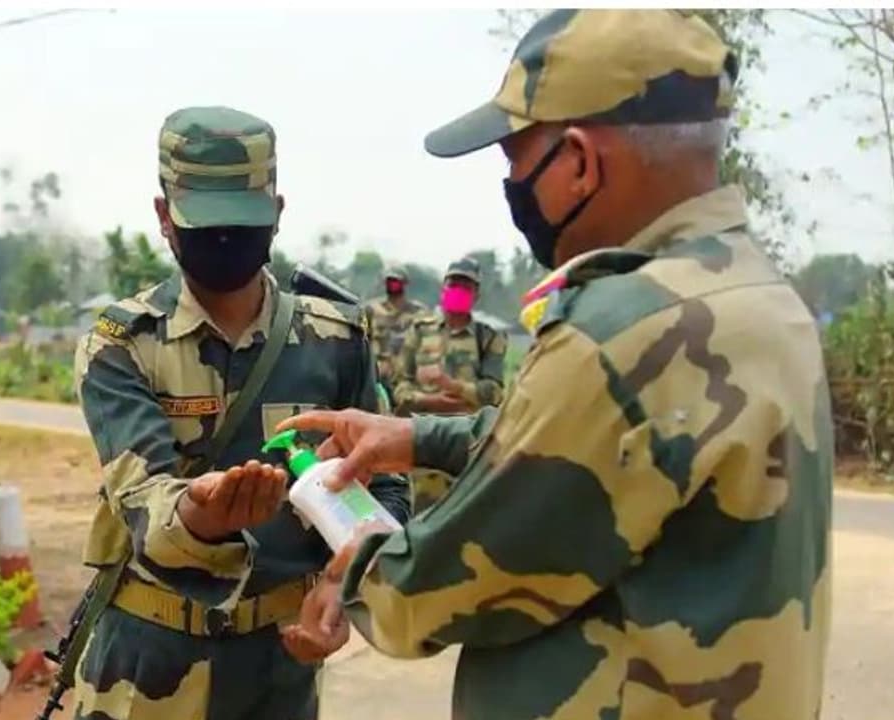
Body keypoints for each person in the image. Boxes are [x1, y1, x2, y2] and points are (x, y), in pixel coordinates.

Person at [277, 10, 833, 720]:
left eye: (515, 160)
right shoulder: (758, 295)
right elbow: (608, 450)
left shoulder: (619, 331)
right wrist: (417, 437)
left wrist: (351, 559)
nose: (512, 185)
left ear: (577, 162)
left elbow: (434, 588)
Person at [70, 105, 410, 720]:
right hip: (148, 666)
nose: (224, 239)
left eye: (242, 221)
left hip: (276, 672)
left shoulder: (337, 338)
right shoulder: (122, 343)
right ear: (163, 216)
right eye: (206, 223)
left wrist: (343, 583)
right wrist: (200, 514)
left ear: (277, 214)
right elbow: (142, 498)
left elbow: (383, 484)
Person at [392, 256, 507, 511]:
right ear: (443, 288)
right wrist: (429, 401)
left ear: (476, 294)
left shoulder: (488, 337)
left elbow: (495, 392)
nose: (458, 291)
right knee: (419, 519)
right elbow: (399, 387)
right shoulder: (420, 330)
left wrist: (451, 385)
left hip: (468, 450)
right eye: (453, 284)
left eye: (466, 287)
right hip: (421, 449)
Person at [362, 266, 427, 394]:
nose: (392, 284)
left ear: (405, 283)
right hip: (377, 374)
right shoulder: (371, 310)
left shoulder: (419, 312)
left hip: (407, 376)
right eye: (389, 281)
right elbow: (363, 340)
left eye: (396, 281)